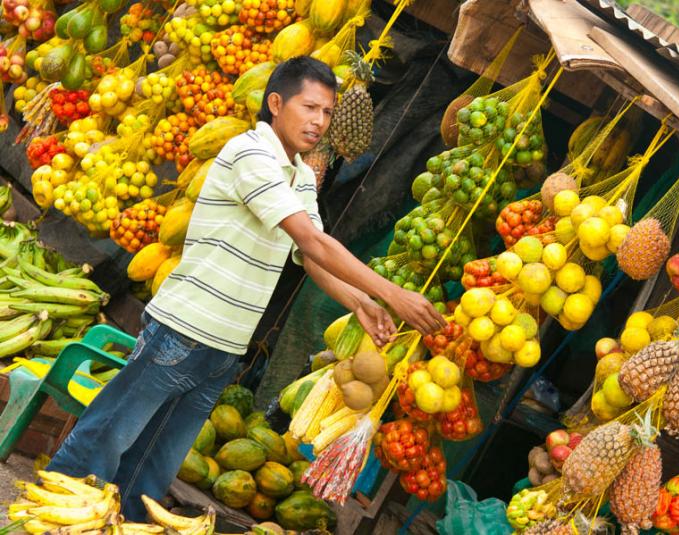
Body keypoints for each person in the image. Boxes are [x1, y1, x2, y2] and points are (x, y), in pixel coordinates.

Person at [47, 56, 446, 520]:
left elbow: (313, 255)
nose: (319, 122)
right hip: (185, 328)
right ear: (276, 103)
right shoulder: (250, 154)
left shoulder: (298, 175)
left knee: (155, 466)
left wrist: (359, 301)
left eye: (327, 113)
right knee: (106, 437)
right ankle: (47, 520)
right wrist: (392, 295)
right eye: (310, 108)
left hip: (224, 347)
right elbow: (310, 239)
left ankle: (129, 526)